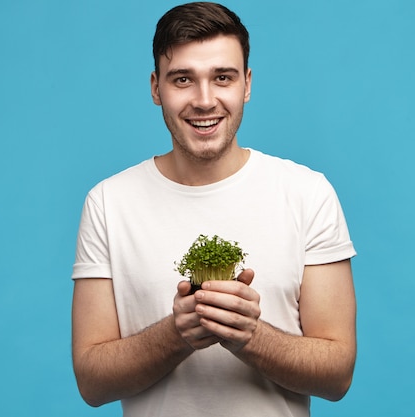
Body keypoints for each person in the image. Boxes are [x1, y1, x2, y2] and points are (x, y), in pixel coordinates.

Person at [71, 2, 357, 416]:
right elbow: (91, 382)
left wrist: (249, 336)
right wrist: (177, 334)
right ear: (156, 88)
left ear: (246, 84)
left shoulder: (307, 194)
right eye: (183, 79)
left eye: (222, 77)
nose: (204, 101)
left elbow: (338, 375)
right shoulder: (108, 203)